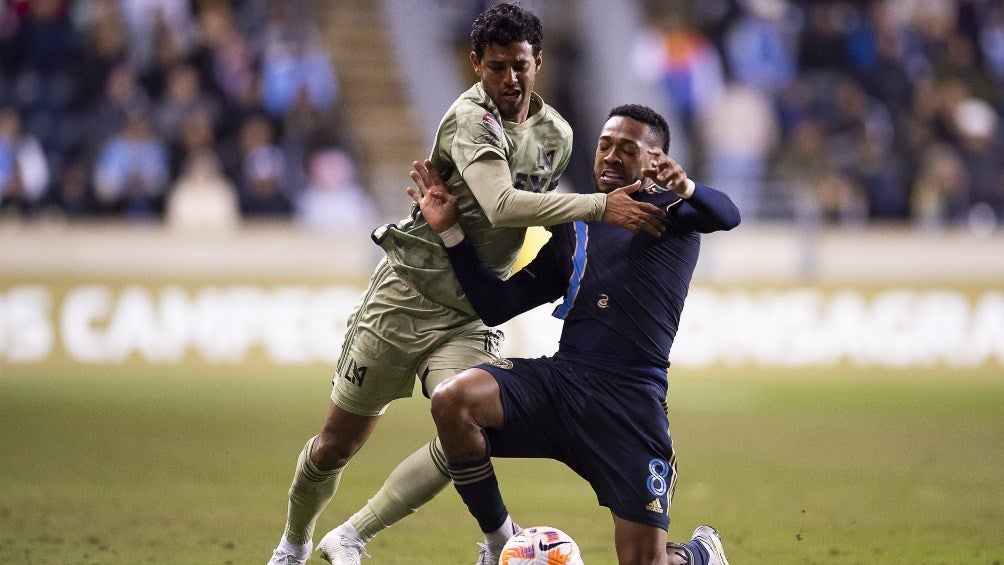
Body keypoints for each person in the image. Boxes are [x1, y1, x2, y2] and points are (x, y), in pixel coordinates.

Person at [266, 4, 666, 565]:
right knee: (337, 445)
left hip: (470, 311)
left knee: (462, 419)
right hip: (405, 296)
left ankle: (355, 535)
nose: (510, 79)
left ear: (538, 62)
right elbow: (502, 206)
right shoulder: (469, 119)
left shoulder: (558, 136)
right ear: (475, 64)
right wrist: (602, 207)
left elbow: (553, 218)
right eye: (496, 66)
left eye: (520, 66)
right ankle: (294, 542)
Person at [410, 104, 739, 564]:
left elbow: (727, 214)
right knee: (453, 400)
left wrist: (683, 186)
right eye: (605, 144)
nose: (609, 156)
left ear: (656, 160)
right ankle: (501, 540)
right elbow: (496, 305)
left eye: (627, 149)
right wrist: (451, 235)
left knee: (646, 561)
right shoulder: (577, 225)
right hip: (563, 383)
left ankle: (697, 554)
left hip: (629, 402)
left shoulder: (672, 214)